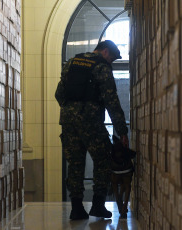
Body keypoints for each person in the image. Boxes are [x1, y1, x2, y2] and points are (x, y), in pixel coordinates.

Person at [55, 40, 129, 220]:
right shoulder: (102, 67)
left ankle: (76, 208)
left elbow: (59, 93)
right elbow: (111, 100)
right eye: (111, 58)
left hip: (68, 122)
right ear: (104, 51)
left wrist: (70, 110)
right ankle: (97, 205)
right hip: (91, 121)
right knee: (103, 158)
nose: (110, 62)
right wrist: (122, 131)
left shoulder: (72, 62)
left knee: (75, 163)